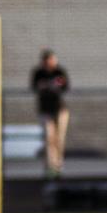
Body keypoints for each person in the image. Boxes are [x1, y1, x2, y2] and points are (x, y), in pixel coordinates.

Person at [31, 49, 71, 177]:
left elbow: (65, 86)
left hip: (60, 109)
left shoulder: (59, 71)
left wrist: (55, 85)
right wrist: (44, 86)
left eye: (52, 60)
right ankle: (50, 166)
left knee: (59, 139)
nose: (50, 63)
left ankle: (59, 165)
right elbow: (34, 87)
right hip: (45, 109)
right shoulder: (39, 73)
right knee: (49, 138)